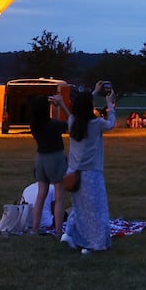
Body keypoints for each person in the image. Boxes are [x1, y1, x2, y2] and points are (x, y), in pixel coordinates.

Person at [61, 82, 116, 253]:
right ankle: (92, 244)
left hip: (73, 173)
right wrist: (110, 105)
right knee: (96, 210)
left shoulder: (72, 121)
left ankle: (70, 234)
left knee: (79, 208)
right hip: (91, 173)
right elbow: (111, 124)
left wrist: (94, 92)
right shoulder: (96, 123)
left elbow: (81, 106)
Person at [28, 93, 68, 236]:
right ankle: (58, 231)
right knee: (59, 195)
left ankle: (35, 228)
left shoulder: (34, 125)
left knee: (41, 195)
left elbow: (52, 126)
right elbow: (72, 124)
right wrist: (62, 105)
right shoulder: (53, 125)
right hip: (55, 158)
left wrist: (55, 111)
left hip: (40, 159)